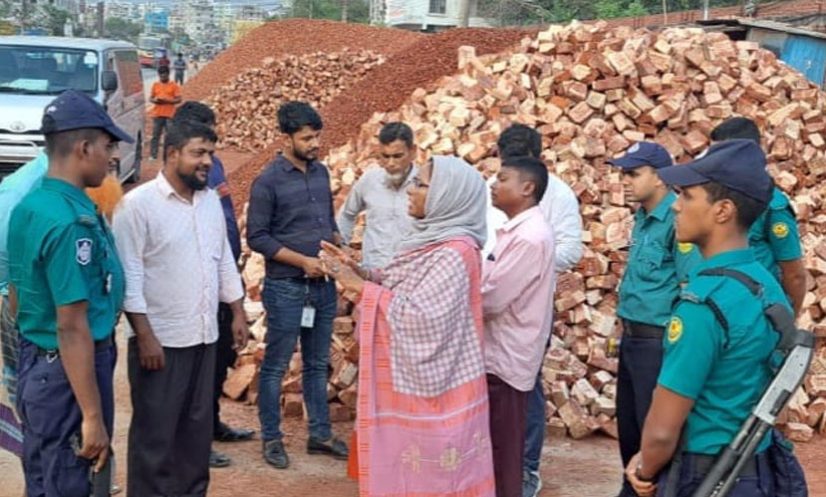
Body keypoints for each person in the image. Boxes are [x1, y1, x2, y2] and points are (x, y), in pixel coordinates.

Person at [625, 139, 796, 497]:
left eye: (688, 196)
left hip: (702, 473)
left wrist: (644, 468)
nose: (676, 206)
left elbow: (662, 431)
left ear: (723, 211)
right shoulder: (765, 285)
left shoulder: (702, 304)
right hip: (755, 467)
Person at [319, 155, 495, 497]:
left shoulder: (456, 251)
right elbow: (402, 284)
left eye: (422, 184)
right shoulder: (431, 242)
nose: (411, 191)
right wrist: (360, 272)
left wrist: (358, 287)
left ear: (447, 196)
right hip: (416, 382)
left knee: (437, 480)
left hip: (439, 389)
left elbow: (423, 318)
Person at [113, 120, 247, 496]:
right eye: (198, 153)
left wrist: (237, 310)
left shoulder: (209, 202)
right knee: (155, 438)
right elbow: (129, 276)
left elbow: (223, 259)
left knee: (195, 436)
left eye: (211, 153)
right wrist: (145, 336)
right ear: (172, 154)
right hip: (160, 344)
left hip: (204, 337)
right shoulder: (137, 206)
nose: (207, 161)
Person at [8, 89, 131, 496]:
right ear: (84, 148)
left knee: (44, 479)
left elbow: (16, 297)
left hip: (39, 364)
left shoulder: (32, 205)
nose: (112, 157)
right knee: (71, 480)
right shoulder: (69, 223)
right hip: (69, 373)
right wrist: (92, 415)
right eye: (107, 147)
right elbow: (72, 326)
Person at [483, 124, 583, 497]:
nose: (498, 180)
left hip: (523, 308)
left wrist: (524, 267)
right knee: (499, 396)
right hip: (495, 306)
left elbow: (571, 249)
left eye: (507, 174)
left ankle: (524, 468)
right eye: (502, 168)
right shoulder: (493, 190)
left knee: (520, 389)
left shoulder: (554, 200)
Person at [247, 101, 348, 469]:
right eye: (307, 138)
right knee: (276, 366)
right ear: (286, 138)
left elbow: (328, 223)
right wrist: (302, 261)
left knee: (318, 363)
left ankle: (319, 434)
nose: (315, 143)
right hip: (287, 288)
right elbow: (257, 237)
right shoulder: (268, 181)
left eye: (317, 136)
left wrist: (339, 246)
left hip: (322, 288)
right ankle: (272, 438)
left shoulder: (321, 173)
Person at [606, 142, 701, 497]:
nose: (625, 181)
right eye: (623, 174)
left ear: (660, 177)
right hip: (633, 338)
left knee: (655, 434)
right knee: (630, 430)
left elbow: (689, 286)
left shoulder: (676, 221)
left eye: (633, 174)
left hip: (658, 342)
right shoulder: (642, 219)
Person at [171, 101, 254, 469]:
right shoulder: (169, 190)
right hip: (194, 286)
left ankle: (212, 423)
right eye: (200, 147)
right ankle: (193, 440)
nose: (206, 157)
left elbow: (223, 224)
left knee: (219, 360)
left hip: (223, 273)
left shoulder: (214, 167)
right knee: (193, 371)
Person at [483, 156, 554, 497]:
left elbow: (492, 300)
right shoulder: (518, 231)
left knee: (503, 451)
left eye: (502, 178)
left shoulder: (529, 237)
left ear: (527, 188)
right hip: (501, 352)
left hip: (506, 357)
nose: (493, 185)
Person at [710, 117, 806, 314]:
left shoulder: (772, 205)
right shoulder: (709, 197)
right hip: (715, 310)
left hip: (755, 313)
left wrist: (787, 321)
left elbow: (794, 274)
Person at [0, 152, 47, 465]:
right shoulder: (23, 189)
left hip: (39, 303)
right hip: (22, 304)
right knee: (29, 391)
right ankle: (38, 462)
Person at [337, 122, 417, 269]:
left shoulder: (425, 185)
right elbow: (347, 214)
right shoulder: (369, 180)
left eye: (397, 156)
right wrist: (342, 245)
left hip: (412, 273)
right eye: (385, 156)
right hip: (373, 271)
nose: (391, 163)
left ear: (413, 152)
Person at [149, 65, 182, 161]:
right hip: (158, 114)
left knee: (169, 136)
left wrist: (167, 101)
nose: (162, 77)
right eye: (161, 75)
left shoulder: (174, 85)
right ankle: (153, 155)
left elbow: (179, 99)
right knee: (155, 136)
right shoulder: (155, 85)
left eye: (164, 75)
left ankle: (168, 155)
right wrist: (155, 100)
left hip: (170, 115)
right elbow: (151, 98)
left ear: (168, 74)